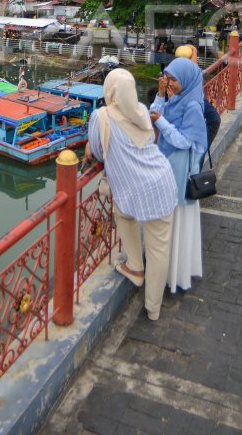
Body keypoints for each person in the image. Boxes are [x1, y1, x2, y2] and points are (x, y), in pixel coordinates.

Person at [86, 69, 178, 321]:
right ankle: (153, 309)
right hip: (162, 181)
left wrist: (89, 144)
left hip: (133, 188)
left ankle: (135, 267)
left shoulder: (101, 116)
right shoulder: (140, 110)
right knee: (159, 249)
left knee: (124, 213)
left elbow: (98, 151)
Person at [149, 56, 207, 293]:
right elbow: (154, 112)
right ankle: (166, 270)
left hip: (180, 171)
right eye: (167, 78)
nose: (169, 83)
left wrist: (162, 123)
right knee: (169, 220)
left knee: (175, 220)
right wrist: (161, 94)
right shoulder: (177, 98)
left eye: (173, 79)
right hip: (171, 165)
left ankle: (174, 274)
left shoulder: (192, 106)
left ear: (186, 79)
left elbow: (185, 141)